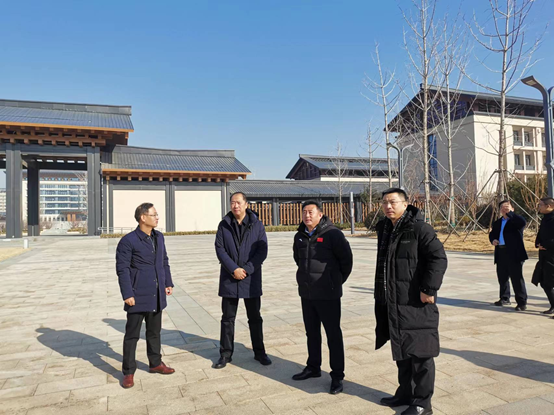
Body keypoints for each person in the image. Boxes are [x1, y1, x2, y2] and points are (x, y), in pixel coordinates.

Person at [375, 188, 447, 415]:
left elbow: (438, 258)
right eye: (384, 202)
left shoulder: (419, 228)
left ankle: (422, 403)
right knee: (402, 350)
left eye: (393, 202)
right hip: (393, 300)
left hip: (415, 301)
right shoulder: (385, 229)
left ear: (406, 204)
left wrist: (428, 288)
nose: (388, 206)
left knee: (421, 354)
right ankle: (405, 393)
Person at [292, 200, 353, 395]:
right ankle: (313, 367)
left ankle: (337, 376)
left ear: (320, 214)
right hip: (307, 293)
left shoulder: (333, 234)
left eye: (311, 212)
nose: (307, 215)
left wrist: (335, 281)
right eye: (304, 212)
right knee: (311, 333)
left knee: (333, 335)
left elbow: (346, 261)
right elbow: (298, 260)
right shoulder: (299, 236)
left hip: (328, 294)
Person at [116, 203, 175, 389]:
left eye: (157, 214)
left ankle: (155, 363)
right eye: (154, 214)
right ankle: (128, 371)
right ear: (143, 217)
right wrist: (127, 293)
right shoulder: (128, 241)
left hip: (156, 294)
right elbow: (122, 269)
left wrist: (168, 282)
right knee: (132, 335)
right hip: (137, 295)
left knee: (154, 332)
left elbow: (164, 261)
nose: (157, 217)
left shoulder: (159, 237)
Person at [214, 192, 271, 369]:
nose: (235, 206)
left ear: (246, 204)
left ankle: (259, 352)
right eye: (232, 202)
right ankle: (225, 354)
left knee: (255, 318)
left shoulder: (257, 224)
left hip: (250, 279)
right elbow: (220, 249)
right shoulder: (224, 224)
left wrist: (246, 270)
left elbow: (262, 251)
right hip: (230, 278)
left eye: (238, 202)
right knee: (227, 319)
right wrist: (234, 269)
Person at [488, 200, 528, 311]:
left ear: (512, 209)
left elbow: (522, 223)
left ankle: (521, 302)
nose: (504, 209)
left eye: (507, 207)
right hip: (501, 252)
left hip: (514, 253)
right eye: (502, 207)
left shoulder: (516, 220)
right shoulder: (497, 222)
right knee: (502, 277)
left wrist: (510, 214)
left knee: (516, 278)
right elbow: (492, 234)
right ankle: (504, 297)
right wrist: (493, 240)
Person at [533, 197, 554, 315]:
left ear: (548, 206)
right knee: (544, 282)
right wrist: (538, 243)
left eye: (541, 205)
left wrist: (546, 245)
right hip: (544, 255)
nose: (539, 207)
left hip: (552, 255)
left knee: (548, 283)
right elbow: (540, 233)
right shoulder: (545, 219)